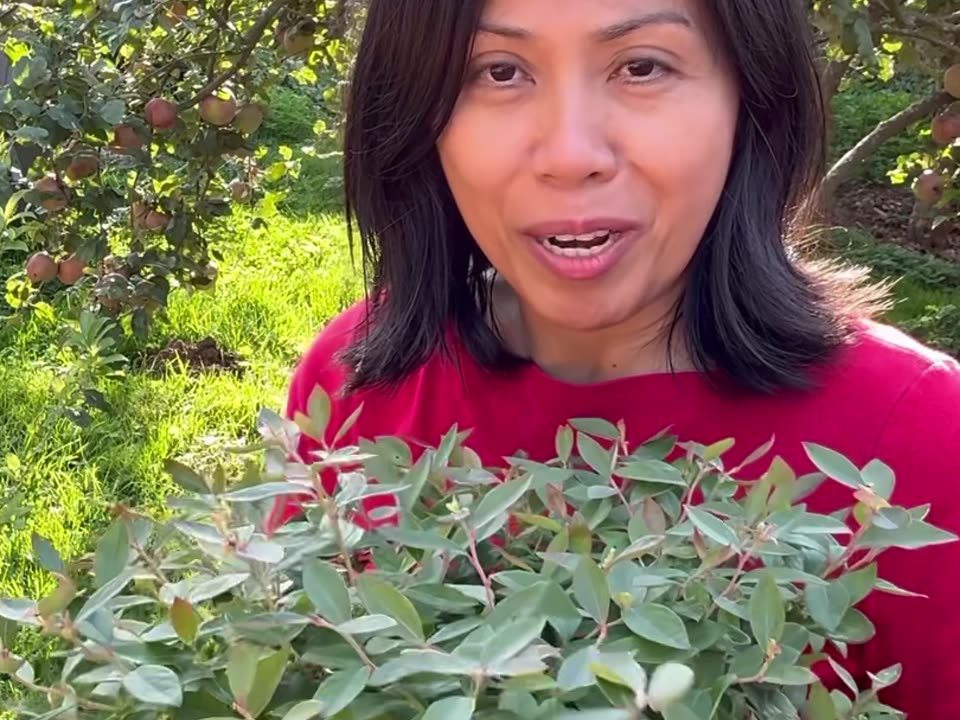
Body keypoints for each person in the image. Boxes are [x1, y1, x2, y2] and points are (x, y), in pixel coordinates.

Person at [269, 1, 960, 718]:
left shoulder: (918, 442)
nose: (571, 155)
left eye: (643, 66)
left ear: (751, 96)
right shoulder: (353, 382)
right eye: (498, 71)